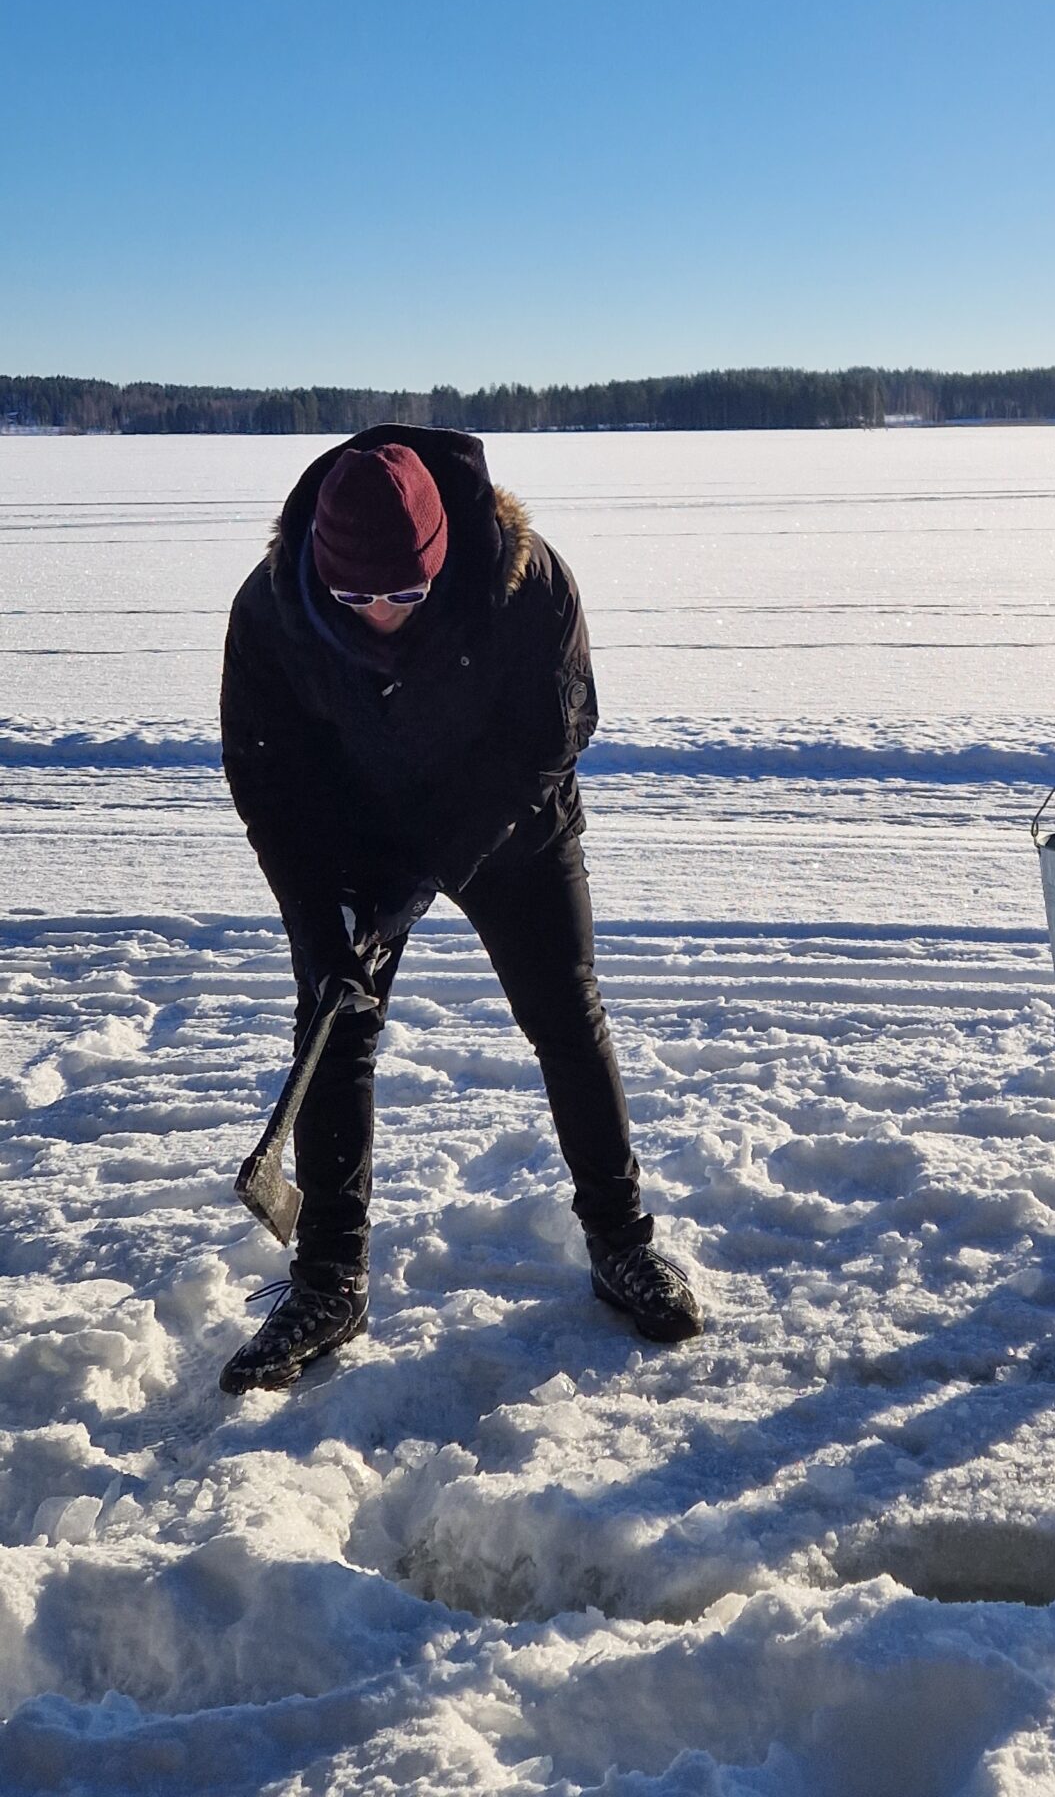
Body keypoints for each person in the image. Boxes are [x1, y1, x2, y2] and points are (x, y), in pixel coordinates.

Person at [218, 427, 702, 1391]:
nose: (381, 617)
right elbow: (268, 783)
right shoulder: (272, 612)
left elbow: (550, 737)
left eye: (405, 594)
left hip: (509, 818)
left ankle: (619, 1238)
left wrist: (425, 875)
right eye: (357, 598)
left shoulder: (526, 584)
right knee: (335, 1019)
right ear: (320, 563)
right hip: (356, 825)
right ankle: (328, 1279)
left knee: (565, 1013)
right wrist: (323, 925)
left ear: (439, 560)